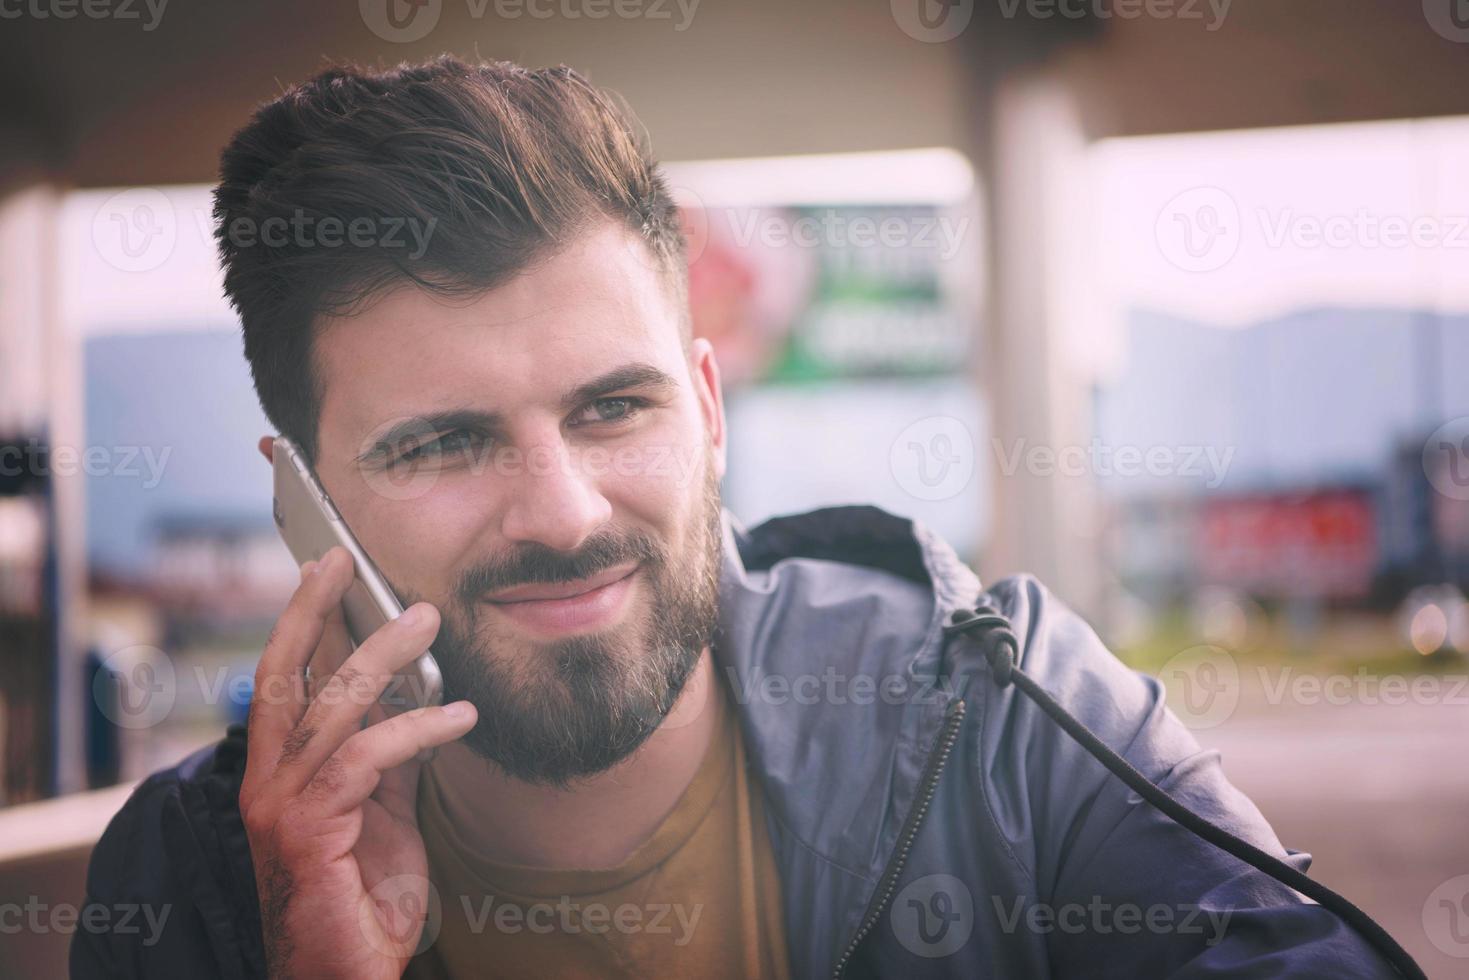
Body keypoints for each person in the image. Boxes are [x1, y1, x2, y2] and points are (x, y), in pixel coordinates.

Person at [71, 56, 1398, 979]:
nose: (565, 512)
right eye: (445, 442)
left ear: (708, 410)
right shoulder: (201, 871)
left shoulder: (1006, 711)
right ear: (302, 503)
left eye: (612, 409)